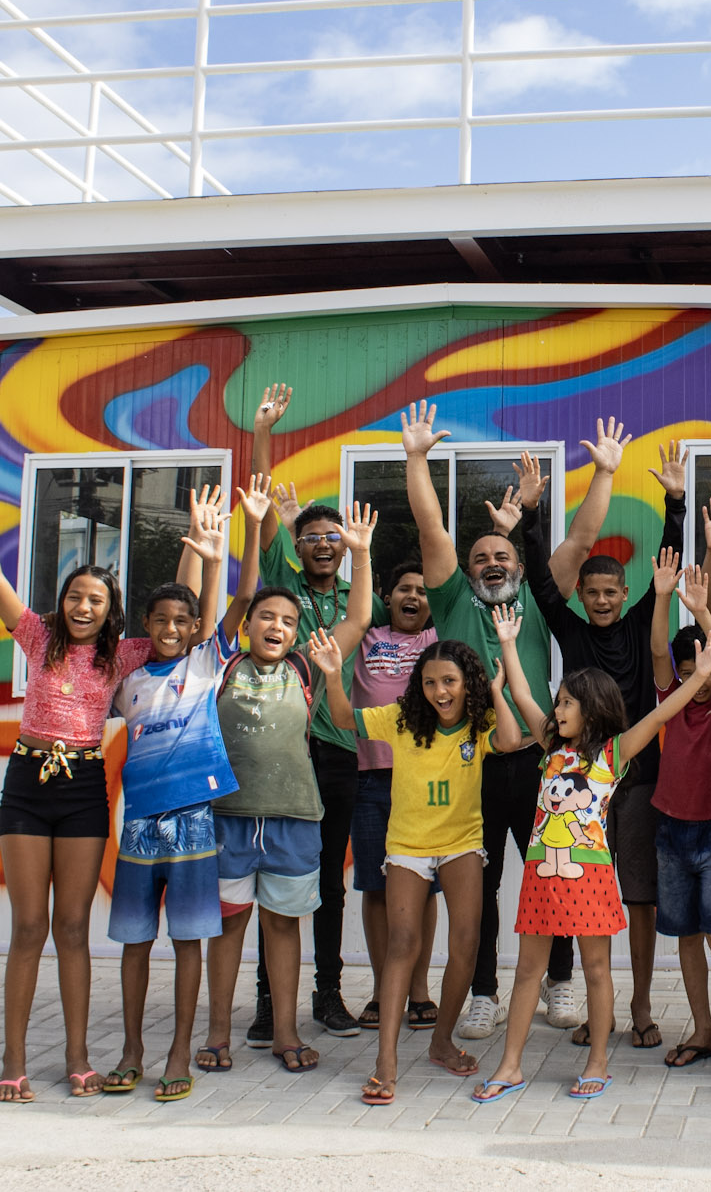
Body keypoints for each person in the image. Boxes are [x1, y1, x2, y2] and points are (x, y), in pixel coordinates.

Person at [0, 442, 164, 1103]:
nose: (83, 606)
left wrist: (206, 544)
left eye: (96, 600)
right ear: (63, 599)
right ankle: (12, 1058)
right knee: (28, 927)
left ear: (110, 610)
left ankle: (78, 1056)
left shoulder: (124, 654)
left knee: (73, 927)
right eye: (76, 595)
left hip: (81, 790)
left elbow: (184, 623)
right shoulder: (37, 637)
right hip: (27, 782)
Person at [470, 634, 711, 1104]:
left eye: (567, 702)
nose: (558, 709)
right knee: (528, 973)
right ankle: (510, 1065)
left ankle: (597, 1062)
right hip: (541, 878)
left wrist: (699, 672)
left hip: (589, 881)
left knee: (596, 970)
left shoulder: (614, 753)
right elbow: (524, 696)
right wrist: (510, 644)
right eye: (559, 702)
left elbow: (659, 715)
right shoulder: (549, 744)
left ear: (591, 708)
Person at [401, 402, 585, 1037]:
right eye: (480, 555)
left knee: (551, 873)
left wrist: (588, 482)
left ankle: (561, 982)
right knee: (477, 890)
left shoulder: (536, 595)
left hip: (536, 761)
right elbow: (430, 529)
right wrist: (417, 458)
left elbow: (582, 540)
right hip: (468, 766)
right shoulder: (451, 598)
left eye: (501, 553)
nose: (491, 562)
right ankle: (483, 991)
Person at [516, 439, 689, 1049]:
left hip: (638, 779)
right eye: (592, 593)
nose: (602, 600)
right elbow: (539, 581)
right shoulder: (569, 626)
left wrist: (676, 499)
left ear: (623, 592)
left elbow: (668, 561)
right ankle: (601, 1009)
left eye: (611, 591)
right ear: (583, 597)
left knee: (636, 897)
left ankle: (638, 1007)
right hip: (579, 785)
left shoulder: (643, 620)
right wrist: (534, 515)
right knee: (595, 899)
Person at [201, 501, 376, 1076]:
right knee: (230, 925)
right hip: (230, 816)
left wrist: (363, 552)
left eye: (288, 621)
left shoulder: (305, 669)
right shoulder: (222, 663)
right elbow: (241, 590)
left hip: (294, 817)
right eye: (265, 617)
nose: (276, 627)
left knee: (282, 924)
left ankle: (283, 1031)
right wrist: (252, 527)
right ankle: (219, 1033)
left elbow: (355, 618)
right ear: (246, 624)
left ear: (299, 632)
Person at [246, 384, 389, 1042]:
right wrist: (264, 432)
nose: (322, 543)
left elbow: (362, 614)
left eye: (333, 537)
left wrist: (362, 549)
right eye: (313, 536)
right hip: (274, 752)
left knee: (330, 880)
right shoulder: (284, 588)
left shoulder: (347, 603)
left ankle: (327, 993)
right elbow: (261, 507)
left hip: (334, 756)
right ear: (299, 545)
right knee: (271, 878)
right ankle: (269, 1003)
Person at [358, 615, 547, 1105]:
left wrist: (497, 690)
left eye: (449, 682)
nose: (439, 691)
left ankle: (442, 1041)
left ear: (468, 685)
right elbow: (343, 717)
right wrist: (333, 671)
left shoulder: (479, 723)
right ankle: (386, 1062)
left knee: (466, 944)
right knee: (403, 942)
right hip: (407, 847)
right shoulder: (402, 717)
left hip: (462, 842)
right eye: (430, 682)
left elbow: (509, 741)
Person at [102, 480, 239, 1102]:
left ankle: (179, 1052)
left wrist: (212, 554)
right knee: (134, 943)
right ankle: (131, 1050)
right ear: (145, 626)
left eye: (183, 621)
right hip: (137, 828)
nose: (173, 628)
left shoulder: (204, 665)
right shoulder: (126, 680)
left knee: (189, 943)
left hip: (193, 825)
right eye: (161, 619)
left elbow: (220, 611)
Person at [645, 551, 711, 1070]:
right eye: (689, 672)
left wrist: (704, 614)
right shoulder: (673, 698)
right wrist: (663, 595)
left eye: (703, 670)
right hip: (671, 834)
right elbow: (660, 655)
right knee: (685, 936)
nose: (698, 680)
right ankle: (703, 1030)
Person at [350, 558, 444, 1034]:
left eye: (424, 591)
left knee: (423, 887)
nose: (414, 597)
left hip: (421, 781)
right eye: (405, 589)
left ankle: (420, 990)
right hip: (369, 779)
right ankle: (383, 986)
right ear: (387, 596)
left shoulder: (437, 642)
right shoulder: (365, 635)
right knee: (375, 886)